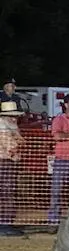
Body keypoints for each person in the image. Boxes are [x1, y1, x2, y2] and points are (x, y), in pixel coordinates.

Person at [48, 94, 69, 225]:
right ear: (66, 105)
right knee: (56, 191)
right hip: (62, 159)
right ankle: (53, 220)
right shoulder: (59, 119)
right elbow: (56, 136)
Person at [0, 100, 24, 236]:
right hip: (4, 162)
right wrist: (18, 141)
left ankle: (6, 222)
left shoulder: (10, 127)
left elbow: (20, 141)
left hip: (7, 162)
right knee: (7, 193)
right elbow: (13, 147)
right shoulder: (3, 128)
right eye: (12, 116)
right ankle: (5, 223)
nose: (15, 118)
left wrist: (18, 140)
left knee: (7, 192)